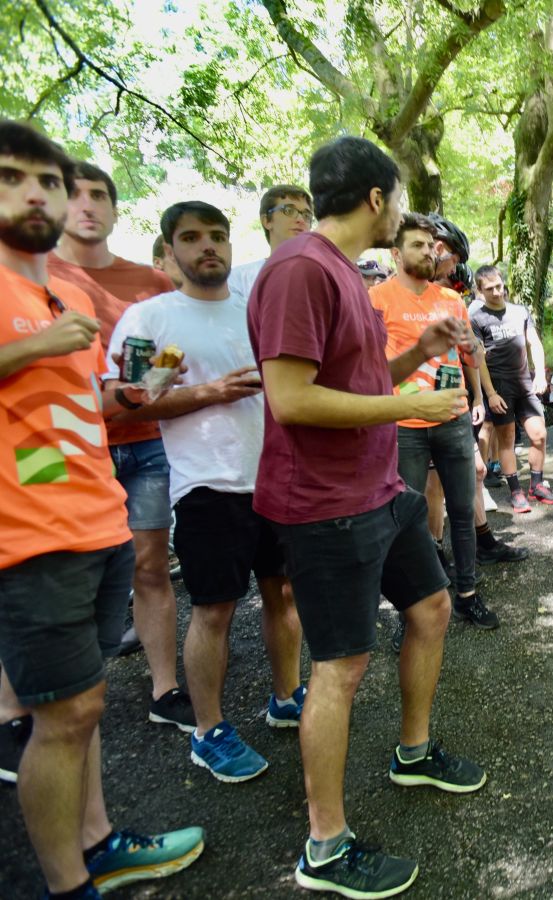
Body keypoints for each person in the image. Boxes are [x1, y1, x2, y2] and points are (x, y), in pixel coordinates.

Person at [249, 135, 486, 896]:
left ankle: (412, 754)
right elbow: (289, 399)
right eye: (401, 199)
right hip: (323, 508)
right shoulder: (298, 270)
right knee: (341, 666)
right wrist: (405, 406)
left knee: (433, 606)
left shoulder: (346, 273)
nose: (406, 219)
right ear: (377, 198)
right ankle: (325, 846)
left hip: (379, 493)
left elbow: (363, 378)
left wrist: (419, 352)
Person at [0, 118, 205, 898]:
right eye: (11, 176)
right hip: (27, 539)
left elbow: (72, 394)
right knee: (63, 711)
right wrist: (41, 342)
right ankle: (66, 884)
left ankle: (99, 842)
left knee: (82, 707)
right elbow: (34, 360)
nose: (35, 193)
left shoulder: (59, 291)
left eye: (47, 180)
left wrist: (130, 393)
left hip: (96, 517)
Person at [107, 201, 304, 782]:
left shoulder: (254, 311)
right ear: (170, 251)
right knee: (214, 609)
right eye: (191, 239)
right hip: (207, 486)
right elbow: (136, 401)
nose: (207, 247)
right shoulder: (157, 319)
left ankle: (286, 696)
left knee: (283, 594)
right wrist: (210, 392)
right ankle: (208, 730)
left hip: (273, 477)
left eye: (217, 236)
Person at [48, 161, 190, 731]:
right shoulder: (31, 275)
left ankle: (165, 689)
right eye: (74, 194)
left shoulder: (149, 281)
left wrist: (157, 381)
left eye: (100, 194)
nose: (87, 205)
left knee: (149, 565)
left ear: (113, 205)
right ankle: (52, 704)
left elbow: (173, 349)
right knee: (62, 573)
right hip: (64, 452)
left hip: (147, 446)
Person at [369, 211, 501, 631]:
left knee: (462, 511)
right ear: (395, 253)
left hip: (453, 418)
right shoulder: (377, 300)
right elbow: (368, 366)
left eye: (431, 246)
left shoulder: (452, 300)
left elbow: (472, 355)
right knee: (408, 518)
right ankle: (414, 611)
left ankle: (467, 594)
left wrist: (472, 348)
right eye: (417, 246)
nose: (428, 252)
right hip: (404, 423)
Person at [471, 265, 553, 513]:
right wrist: (490, 394)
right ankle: (515, 491)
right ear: (480, 291)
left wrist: (540, 374)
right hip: (500, 387)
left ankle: (537, 485)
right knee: (507, 440)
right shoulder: (477, 320)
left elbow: (534, 343)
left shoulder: (520, 312)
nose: (497, 292)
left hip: (524, 384)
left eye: (499, 286)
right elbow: (478, 360)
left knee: (539, 434)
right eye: (490, 289)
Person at [228, 184, 313, 298]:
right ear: (267, 221)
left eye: (307, 215)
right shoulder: (239, 279)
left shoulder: (326, 277)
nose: (301, 219)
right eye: (289, 210)